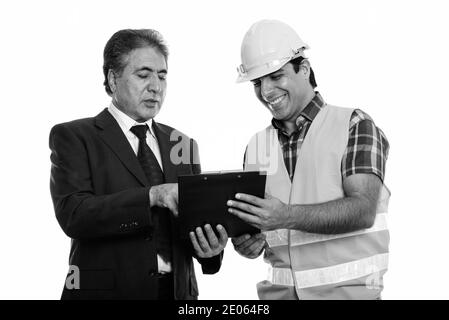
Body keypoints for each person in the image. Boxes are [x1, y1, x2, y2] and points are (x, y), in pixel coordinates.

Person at [49, 29, 228, 300]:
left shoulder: (184, 144)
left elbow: (193, 224)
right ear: (113, 78)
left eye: (162, 75)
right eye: (143, 75)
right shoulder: (74, 136)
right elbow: (74, 215)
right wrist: (153, 196)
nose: (156, 86)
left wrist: (211, 250)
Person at [228, 20, 390, 300]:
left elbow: (363, 209)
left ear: (303, 69)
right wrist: (247, 243)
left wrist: (286, 216)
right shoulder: (255, 146)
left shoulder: (354, 125)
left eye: (276, 76)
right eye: (257, 82)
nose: (266, 92)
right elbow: (260, 233)